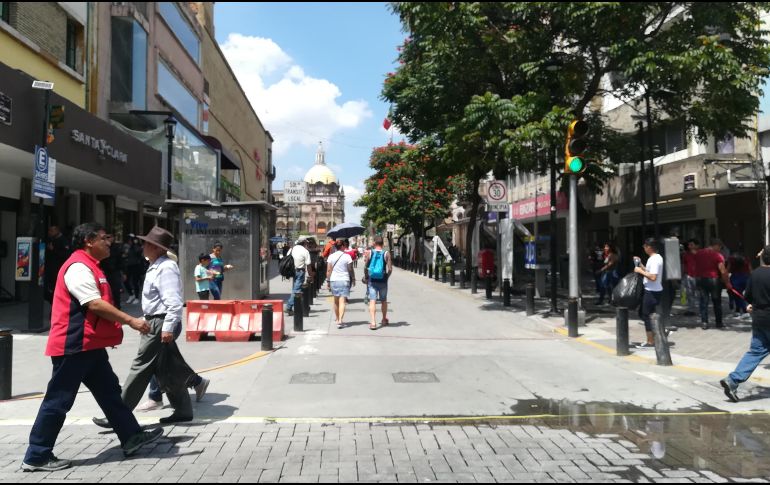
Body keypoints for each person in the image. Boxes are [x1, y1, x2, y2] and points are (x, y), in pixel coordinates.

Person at [22, 223, 162, 472]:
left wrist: (107, 334)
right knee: (59, 400)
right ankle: (37, 455)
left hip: (89, 346)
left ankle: (131, 436)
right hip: (74, 346)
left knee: (110, 393)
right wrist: (130, 321)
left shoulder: (92, 265)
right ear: (88, 241)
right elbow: (94, 304)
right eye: (104, 238)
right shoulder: (78, 267)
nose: (109, 242)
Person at [93, 226, 208, 425]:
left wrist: (167, 328)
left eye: (146, 243)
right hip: (154, 321)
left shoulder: (166, 268)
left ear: (156, 247)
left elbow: (174, 302)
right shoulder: (156, 265)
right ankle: (183, 409)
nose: (143, 246)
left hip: (160, 321)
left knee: (140, 367)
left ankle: (118, 415)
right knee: (166, 368)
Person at [720, 246, 770, 403]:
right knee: (757, 351)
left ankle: (733, 380)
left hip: (759, 318)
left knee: (756, 352)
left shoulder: (755, 274)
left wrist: (751, 305)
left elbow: (747, 295)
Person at [695, 238, 733, 330]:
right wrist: (727, 283)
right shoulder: (718, 255)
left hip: (701, 279)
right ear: (716, 245)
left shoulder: (699, 253)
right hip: (713, 280)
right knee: (717, 302)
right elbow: (722, 271)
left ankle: (704, 322)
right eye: (720, 247)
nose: (720, 249)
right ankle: (719, 322)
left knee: (704, 301)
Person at [634, 238, 664, 348]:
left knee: (646, 315)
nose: (644, 248)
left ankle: (651, 341)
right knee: (646, 314)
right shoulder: (655, 258)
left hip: (652, 291)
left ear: (649, 247)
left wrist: (639, 271)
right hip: (652, 290)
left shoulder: (655, 259)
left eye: (645, 246)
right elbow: (649, 271)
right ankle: (659, 331)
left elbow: (653, 277)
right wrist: (641, 264)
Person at [364, 236, 393, 330]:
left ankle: (373, 322)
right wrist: (386, 277)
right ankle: (384, 319)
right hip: (383, 280)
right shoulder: (386, 253)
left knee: (372, 301)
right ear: (382, 244)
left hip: (372, 280)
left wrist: (366, 277)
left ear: (374, 243)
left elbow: (365, 267)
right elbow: (390, 269)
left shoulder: (370, 252)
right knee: (384, 300)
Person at [327, 240, 355, 328]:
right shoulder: (347, 256)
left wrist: (328, 281)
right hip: (344, 280)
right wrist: (353, 278)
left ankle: (337, 318)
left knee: (336, 301)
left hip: (334, 280)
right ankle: (340, 320)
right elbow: (350, 269)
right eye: (344, 245)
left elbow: (329, 270)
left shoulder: (331, 256)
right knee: (342, 301)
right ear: (342, 246)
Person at [43, 225, 70, 304]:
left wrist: (53, 249)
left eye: (52, 231)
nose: (50, 233)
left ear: (57, 230)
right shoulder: (50, 240)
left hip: (58, 268)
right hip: (49, 268)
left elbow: (66, 255)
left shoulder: (63, 240)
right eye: (49, 231)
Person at [286, 237, 312, 316]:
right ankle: (289, 307)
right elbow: (308, 265)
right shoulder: (305, 251)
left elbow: (287, 257)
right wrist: (310, 275)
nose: (307, 244)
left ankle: (302, 305)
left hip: (292, 271)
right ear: (304, 243)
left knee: (296, 288)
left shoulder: (292, 249)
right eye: (306, 242)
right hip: (300, 272)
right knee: (297, 290)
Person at [100, 234, 124, 309]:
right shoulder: (103, 247)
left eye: (109, 237)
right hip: (105, 271)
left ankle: (117, 307)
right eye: (106, 237)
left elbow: (121, 260)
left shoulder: (117, 247)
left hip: (115, 272)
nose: (108, 239)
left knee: (116, 291)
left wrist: (123, 272)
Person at [728, 250, 752, 320]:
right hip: (746, 277)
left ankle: (744, 311)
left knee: (737, 295)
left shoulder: (731, 259)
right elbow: (750, 269)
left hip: (735, 277)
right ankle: (738, 310)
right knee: (741, 295)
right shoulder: (746, 258)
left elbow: (728, 268)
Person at [681, 239, 700, 317]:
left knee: (699, 294)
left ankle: (700, 309)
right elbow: (683, 265)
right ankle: (691, 309)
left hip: (698, 276)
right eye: (689, 245)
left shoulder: (701, 254)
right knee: (689, 293)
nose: (689, 246)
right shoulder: (686, 254)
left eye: (691, 245)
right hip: (688, 275)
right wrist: (682, 275)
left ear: (697, 245)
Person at [124, 236, 145, 305]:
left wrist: (135, 245)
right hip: (129, 266)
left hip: (136, 266)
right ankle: (131, 294)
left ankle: (136, 297)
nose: (129, 242)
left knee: (135, 282)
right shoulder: (129, 248)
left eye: (131, 240)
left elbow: (138, 253)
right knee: (126, 281)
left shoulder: (137, 247)